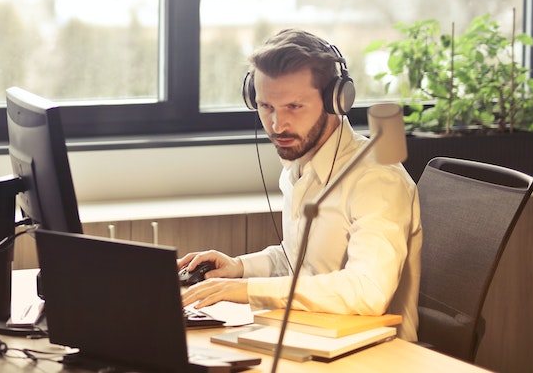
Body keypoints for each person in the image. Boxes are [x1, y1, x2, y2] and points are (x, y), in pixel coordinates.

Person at [180, 29, 421, 341]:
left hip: (374, 354)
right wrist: (239, 268)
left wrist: (247, 290)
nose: (278, 125)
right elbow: (300, 263)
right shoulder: (299, 164)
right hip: (310, 336)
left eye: (294, 107)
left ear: (336, 100)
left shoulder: (376, 179)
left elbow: (368, 291)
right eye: (266, 107)